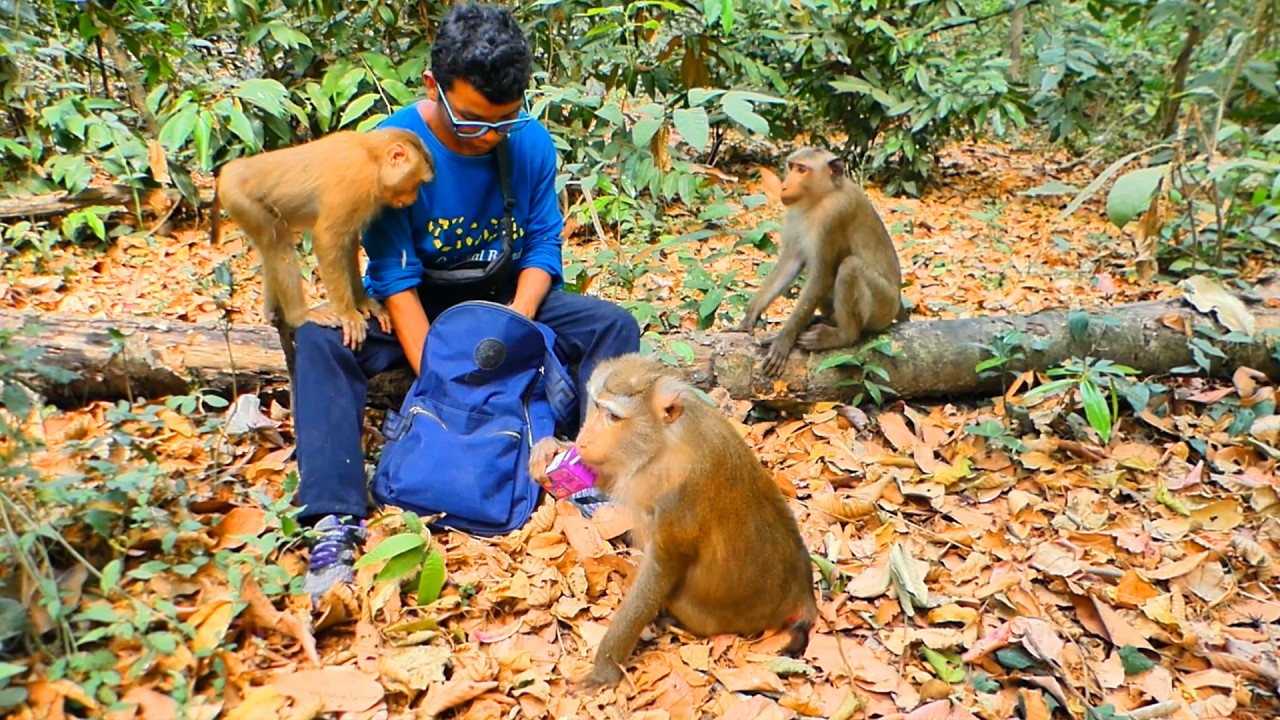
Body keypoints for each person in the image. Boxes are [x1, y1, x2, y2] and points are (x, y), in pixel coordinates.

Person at [293, 2, 641, 597]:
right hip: (421, 304)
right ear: (434, 87)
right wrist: (451, 376)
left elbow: (541, 249)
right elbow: (394, 277)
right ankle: (334, 517)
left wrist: (512, 328)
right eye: (474, 123)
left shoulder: (526, 143)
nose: (489, 138)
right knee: (322, 341)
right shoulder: (389, 151)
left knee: (613, 327)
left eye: (503, 123)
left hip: (503, 297)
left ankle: (585, 473)